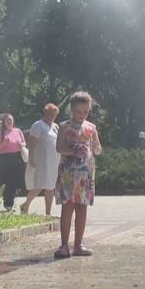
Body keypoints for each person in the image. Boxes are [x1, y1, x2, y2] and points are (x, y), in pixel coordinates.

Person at [54, 92, 102, 258]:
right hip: (68, 172)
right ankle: (64, 245)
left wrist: (95, 147)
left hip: (85, 173)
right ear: (72, 110)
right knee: (67, 207)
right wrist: (72, 151)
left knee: (82, 208)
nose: (82, 115)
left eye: (85, 112)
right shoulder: (64, 126)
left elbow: (98, 149)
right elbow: (59, 148)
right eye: (78, 112)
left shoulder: (91, 127)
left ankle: (78, 244)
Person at [20, 103, 61, 215]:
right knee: (38, 186)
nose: (52, 116)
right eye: (50, 113)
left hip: (53, 161)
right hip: (41, 161)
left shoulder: (55, 126)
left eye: (54, 114)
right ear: (45, 113)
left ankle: (48, 213)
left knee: (50, 187)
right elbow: (31, 144)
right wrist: (31, 158)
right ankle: (25, 205)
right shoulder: (38, 125)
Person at [0, 113, 27, 211]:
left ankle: (11, 201)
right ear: (4, 122)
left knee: (16, 181)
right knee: (7, 182)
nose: (9, 122)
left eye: (11, 120)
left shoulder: (18, 131)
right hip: (5, 159)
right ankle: (8, 204)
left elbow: (24, 142)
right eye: (7, 120)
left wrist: (21, 144)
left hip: (17, 158)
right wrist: (4, 143)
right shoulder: (2, 133)